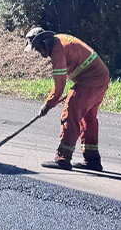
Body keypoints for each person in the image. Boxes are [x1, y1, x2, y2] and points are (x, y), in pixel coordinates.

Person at [25, 27, 110, 171]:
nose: (39, 53)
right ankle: (92, 160)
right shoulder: (60, 41)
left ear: (45, 43)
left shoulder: (57, 50)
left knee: (70, 113)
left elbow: (59, 85)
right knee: (87, 119)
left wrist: (48, 104)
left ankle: (63, 158)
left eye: (38, 49)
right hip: (100, 78)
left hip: (91, 80)